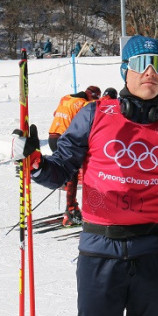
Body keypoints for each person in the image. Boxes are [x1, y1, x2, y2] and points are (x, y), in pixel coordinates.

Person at [13, 34, 158, 316]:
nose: (150, 71)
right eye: (141, 63)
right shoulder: (94, 115)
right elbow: (61, 168)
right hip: (98, 252)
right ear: (124, 71)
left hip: (150, 253)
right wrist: (35, 164)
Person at [48, 85, 101, 226]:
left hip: (53, 136)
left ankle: (70, 204)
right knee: (73, 173)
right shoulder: (85, 104)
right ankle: (70, 210)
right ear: (92, 96)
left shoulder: (65, 98)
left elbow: (55, 113)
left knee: (69, 172)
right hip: (66, 140)